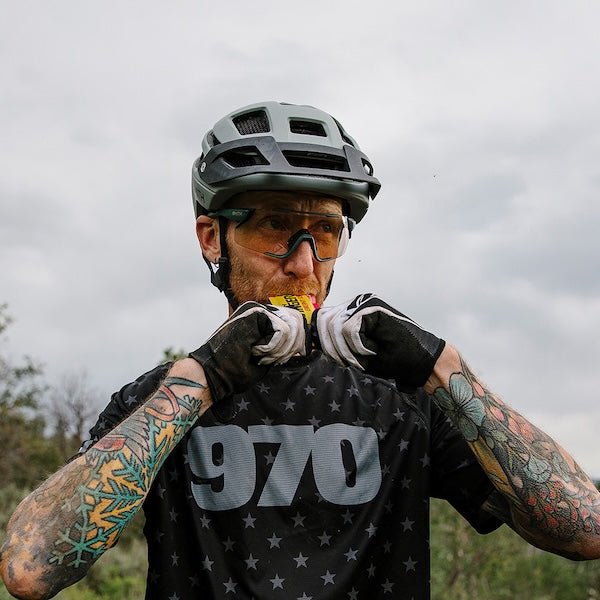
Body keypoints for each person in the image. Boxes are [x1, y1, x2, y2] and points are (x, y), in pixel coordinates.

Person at [1, 101, 599, 600]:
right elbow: (30, 570)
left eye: (327, 233)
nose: (304, 265)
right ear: (212, 237)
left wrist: (444, 368)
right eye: (275, 227)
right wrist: (199, 381)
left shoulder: (404, 402)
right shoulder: (158, 402)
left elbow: (584, 529)